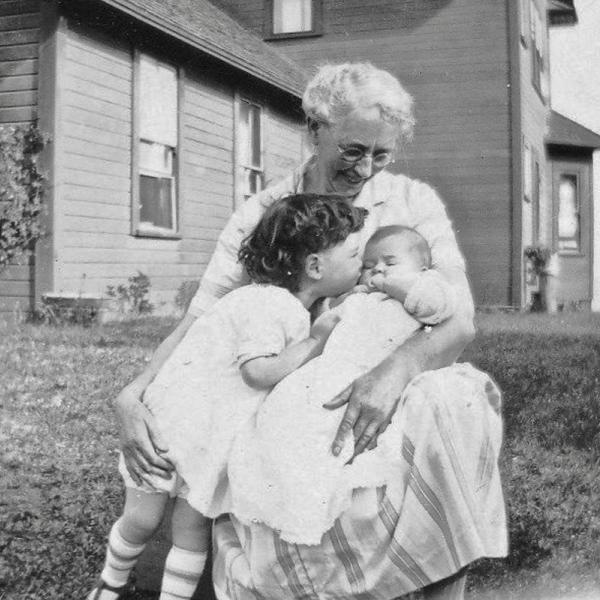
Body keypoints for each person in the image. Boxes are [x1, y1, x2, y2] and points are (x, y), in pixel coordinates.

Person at [114, 62, 507, 599]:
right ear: (315, 128)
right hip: (292, 386)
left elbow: (459, 316)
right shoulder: (265, 212)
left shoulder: (413, 203)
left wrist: (394, 372)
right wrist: (134, 393)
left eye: (381, 154)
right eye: (352, 150)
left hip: (393, 368)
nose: (366, 167)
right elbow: (201, 318)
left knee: (455, 400)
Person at [87, 193, 368, 600]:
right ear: (314, 266)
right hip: (173, 429)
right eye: (355, 254)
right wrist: (317, 341)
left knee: (191, 529)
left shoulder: (287, 303)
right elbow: (257, 372)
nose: (361, 263)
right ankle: (109, 585)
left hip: (212, 437)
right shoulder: (269, 304)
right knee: (142, 519)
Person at [228, 225, 466, 545]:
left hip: (371, 374)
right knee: (281, 419)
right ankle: (285, 496)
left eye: (390, 263)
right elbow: (329, 326)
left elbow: (438, 306)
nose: (377, 270)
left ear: (421, 269)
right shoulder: (364, 297)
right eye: (369, 266)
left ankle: (312, 511)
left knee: (329, 440)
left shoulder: (427, 287)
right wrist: (348, 301)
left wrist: (391, 284)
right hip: (328, 372)